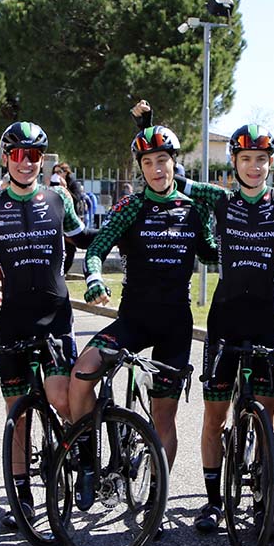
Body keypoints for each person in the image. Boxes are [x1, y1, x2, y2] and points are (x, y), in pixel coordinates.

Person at [178, 123, 274, 533]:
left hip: (265, 320)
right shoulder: (218, 199)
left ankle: (262, 500)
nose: (254, 167)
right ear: (233, 162)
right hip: (224, 320)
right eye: (246, 159)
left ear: (270, 163)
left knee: (265, 414)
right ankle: (213, 502)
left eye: (262, 159)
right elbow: (170, 175)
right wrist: (145, 129)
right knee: (215, 415)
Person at [71, 125, 217, 479]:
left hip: (175, 326)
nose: (156, 169)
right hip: (133, 321)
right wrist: (94, 278)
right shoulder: (130, 207)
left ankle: (157, 496)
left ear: (173, 163)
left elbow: (212, 253)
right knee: (80, 374)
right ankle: (88, 458)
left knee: (163, 417)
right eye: (148, 162)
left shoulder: (193, 209)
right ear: (141, 167)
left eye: (162, 160)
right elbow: (96, 249)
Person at [0, 122, 95, 528]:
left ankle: (82, 459)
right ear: (6, 158)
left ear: (43, 160)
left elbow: (89, 239)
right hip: (15, 319)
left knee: (62, 397)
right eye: (19, 154)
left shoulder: (59, 197)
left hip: (55, 314)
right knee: (17, 414)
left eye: (35, 155)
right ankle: (21, 494)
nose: (27, 162)